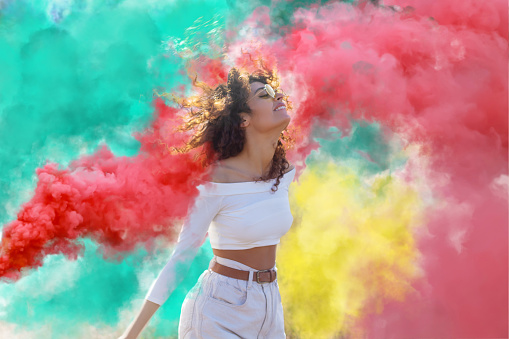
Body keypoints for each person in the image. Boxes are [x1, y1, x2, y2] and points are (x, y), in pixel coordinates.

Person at [119, 65, 295, 338]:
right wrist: (130, 335)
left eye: (276, 91)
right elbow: (181, 257)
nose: (278, 96)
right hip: (219, 310)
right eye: (265, 94)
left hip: (270, 304)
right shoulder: (217, 183)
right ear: (243, 119)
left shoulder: (283, 173)